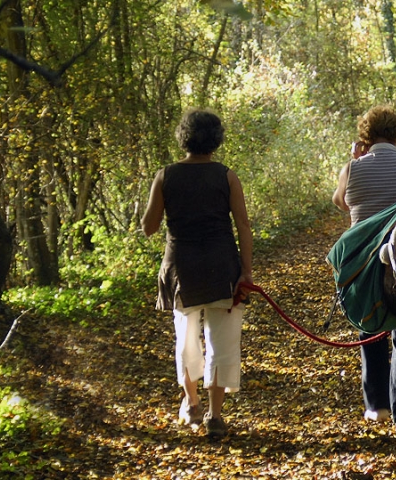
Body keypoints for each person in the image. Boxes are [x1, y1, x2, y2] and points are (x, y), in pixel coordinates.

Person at [141, 108, 253, 438]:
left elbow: (148, 227)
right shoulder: (227, 175)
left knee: (187, 338)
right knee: (223, 340)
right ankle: (215, 415)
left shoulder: (165, 175)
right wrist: (246, 272)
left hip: (181, 269)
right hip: (222, 267)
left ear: (184, 138)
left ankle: (191, 404)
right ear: (216, 139)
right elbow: (243, 227)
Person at [332, 105, 396, 435]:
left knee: (368, 327)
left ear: (365, 136)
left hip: (366, 263)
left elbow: (340, 203)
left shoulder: (352, 169)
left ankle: (377, 406)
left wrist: (355, 163)